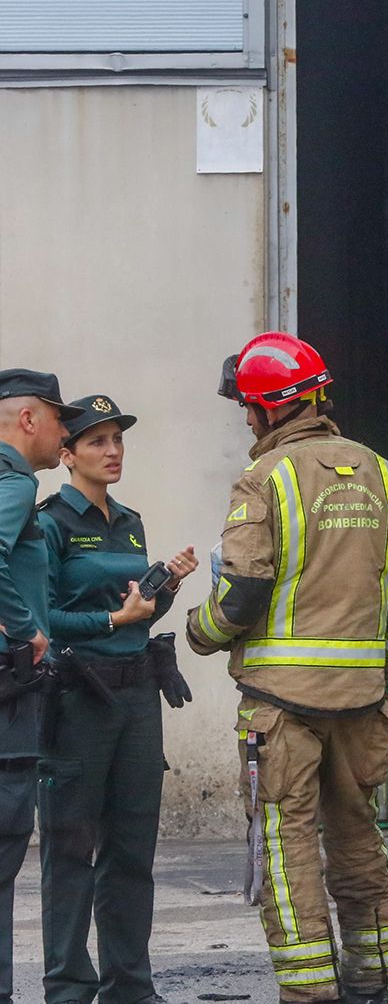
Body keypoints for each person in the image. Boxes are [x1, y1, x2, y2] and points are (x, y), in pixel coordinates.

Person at [185, 333, 388, 1004]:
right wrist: (383, 670)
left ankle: (309, 988)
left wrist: (199, 632)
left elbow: (243, 594)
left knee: (288, 848)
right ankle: (373, 975)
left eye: (247, 410)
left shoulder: (264, 479)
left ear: (264, 410)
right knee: (357, 834)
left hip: (280, 703)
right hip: (362, 699)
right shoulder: (384, 473)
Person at [36, 395, 199, 1004]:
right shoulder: (47, 524)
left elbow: (139, 611)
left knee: (131, 850)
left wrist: (165, 589)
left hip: (136, 699)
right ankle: (69, 989)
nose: (113, 452)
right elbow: (37, 617)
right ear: (67, 453)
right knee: (70, 850)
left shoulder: (130, 521)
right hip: (78, 700)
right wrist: (109, 619)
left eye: (118, 440)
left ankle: (130, 987)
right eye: (98, 441)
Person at [0, 368, 79, 1004]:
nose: (66, 432)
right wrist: (28, 631)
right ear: (30, 419)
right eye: (60, 418)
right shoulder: (16, 481)